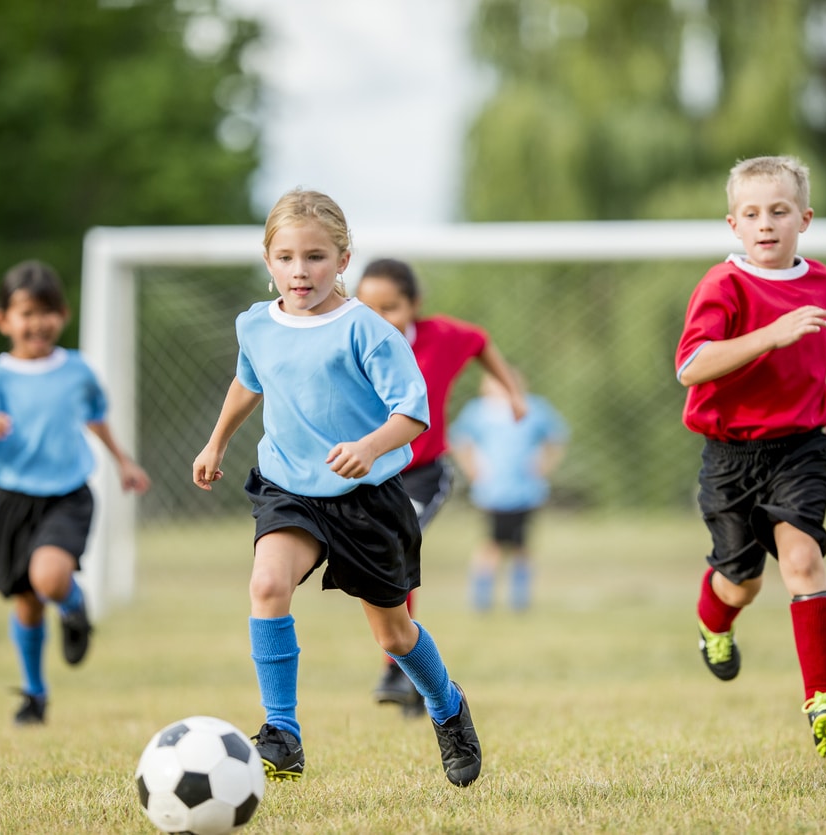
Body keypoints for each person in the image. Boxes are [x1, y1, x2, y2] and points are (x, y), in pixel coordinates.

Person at [191, 189, 481, 787]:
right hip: (288, 488)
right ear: (268, 260)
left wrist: (369, 447)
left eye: (317, 257)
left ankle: (447, 707)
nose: (302, 271)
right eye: (288, 257)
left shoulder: (368, 331)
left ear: (344, 259)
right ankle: (282, 733)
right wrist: (216, 441)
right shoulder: (255, 325)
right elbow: (249, 383)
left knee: (394, 632)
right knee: (268, 583)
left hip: (366, 499)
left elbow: (413, 412)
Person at [675, 155, 826, 757]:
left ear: (804, 218)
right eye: (752, 214)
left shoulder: (822, 281)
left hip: (800, 447)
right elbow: (691, 366)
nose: (766, 224)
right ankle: (713, 622)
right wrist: (769, 335)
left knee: (802, 562)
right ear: (733, 224)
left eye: (779, 211)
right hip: (730, 456)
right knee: (740, 583)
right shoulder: (722, 285)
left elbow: (825, 336)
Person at [0, 260, 150, 726]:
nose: (37, 322)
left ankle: (76, 607)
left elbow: (94, 415)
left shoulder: (77, 370)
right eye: (25, 313)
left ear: (63, 315)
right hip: (13, 499)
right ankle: (35, 694)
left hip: (67, 495)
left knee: (50, 579)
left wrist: (123, 461)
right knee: (27, 601)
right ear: (3, 320)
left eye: (47, 311)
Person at [356, 257, 525, 716]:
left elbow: (481, 343)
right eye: (368, 307)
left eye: (390, 307)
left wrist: (510, 390)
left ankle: (397, 667)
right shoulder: (351, 341)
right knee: (378, 560)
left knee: (390, 544)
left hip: (423, 472)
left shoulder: (442, 338)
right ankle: (415, 675)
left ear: (414, 305)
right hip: (370, 473)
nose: (379, 318)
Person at [450, 370, 568, 612]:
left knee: (521, 546)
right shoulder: (479, 411)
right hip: (493, 492)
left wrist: (544, 465)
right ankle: (482, 600)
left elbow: (556, 437)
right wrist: (472, 469)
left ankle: (519, 600)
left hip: (525, 491)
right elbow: (459, 440)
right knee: (491, 544)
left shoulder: (533, 408)